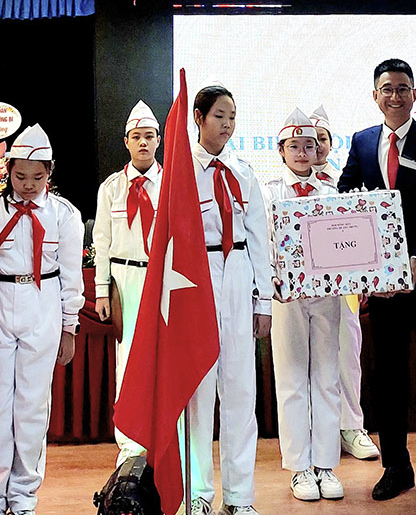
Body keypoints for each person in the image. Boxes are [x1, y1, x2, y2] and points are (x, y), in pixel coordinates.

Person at [337, 59, 416, 505]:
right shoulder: (361, 141)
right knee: (388, 378)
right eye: (387, 88)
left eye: (403, 88)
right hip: (381, 286)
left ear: (415, 94)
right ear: (375, 95)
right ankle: (396, 467)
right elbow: (346, 196)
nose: (395, 96)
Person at [0, 124, 83, 515]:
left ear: (50, 172)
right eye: (20, 176)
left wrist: (69, 327)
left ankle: (23, 495)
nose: (29, 185)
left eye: (37, 177)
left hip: (43, 301)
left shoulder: (64, 215)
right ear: (8, 171)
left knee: (32, 405)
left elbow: (72, 275)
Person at [187, 82, 271, 515]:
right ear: (198, 118)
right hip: (196, 277)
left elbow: (259, 238)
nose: (227, 125)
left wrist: (264, 301)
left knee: (240, 394)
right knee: (198, 395)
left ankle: (238, 498)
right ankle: (198, 494)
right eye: (219, 116)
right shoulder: (179, 170)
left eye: (232, 117)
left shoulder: (244, 173)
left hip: (238, 273)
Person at [266, 109, 345, 502]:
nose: (301, 153)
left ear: (318, 151)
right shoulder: (269, 193)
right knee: (292, 378)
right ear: (281, 150)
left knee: (327, 377)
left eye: (309, 146)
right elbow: (263, 240)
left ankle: (326, 465)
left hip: (327, 296)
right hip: (287, 296)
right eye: (294, 146)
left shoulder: (332, 193)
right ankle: (299, 467)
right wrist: (271, 281)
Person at [93, 100, 163, 466]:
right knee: (128, 361)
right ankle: (130, 443)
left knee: (163, 359)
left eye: (149, 136)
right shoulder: (111, 188)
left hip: (161, 279)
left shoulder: (171, 183)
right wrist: (101, 290)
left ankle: (163, 435)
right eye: (137, 137)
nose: (143, 143)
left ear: (159, 140)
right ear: (126, 141)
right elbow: (101, 241)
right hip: (124, 279)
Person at [312, 105, 379, 463]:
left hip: (344, 287)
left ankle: (352, 426)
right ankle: (317, 433)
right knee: (311, 364)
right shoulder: (283, 186)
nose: (316, 146)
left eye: (322, 139)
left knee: (348, 355)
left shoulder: (344, 181)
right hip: (305, 292)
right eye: (308, 140)